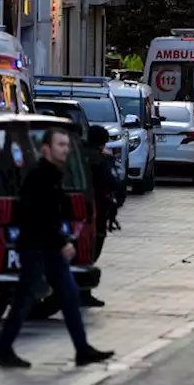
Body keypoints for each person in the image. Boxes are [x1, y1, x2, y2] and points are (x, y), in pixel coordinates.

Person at [0, 127, 114, 369]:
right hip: (36, 248)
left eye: (67, 145)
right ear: (46, 148)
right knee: (24, 300)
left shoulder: (54, 174)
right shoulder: (39, 176)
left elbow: (52, 213)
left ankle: (82, 350)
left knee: (68, 297)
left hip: (48, 248)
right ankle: (3, 351)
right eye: (61, 144)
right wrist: (62, 243)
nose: (65, 149)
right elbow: (38, 216)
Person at [79, 126, 120, 309]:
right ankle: (83, 292)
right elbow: (112, 184)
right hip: (96, 213)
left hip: (76, 211)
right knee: (91, 252)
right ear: (103, 141)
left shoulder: (76, 156)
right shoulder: (101, 160)